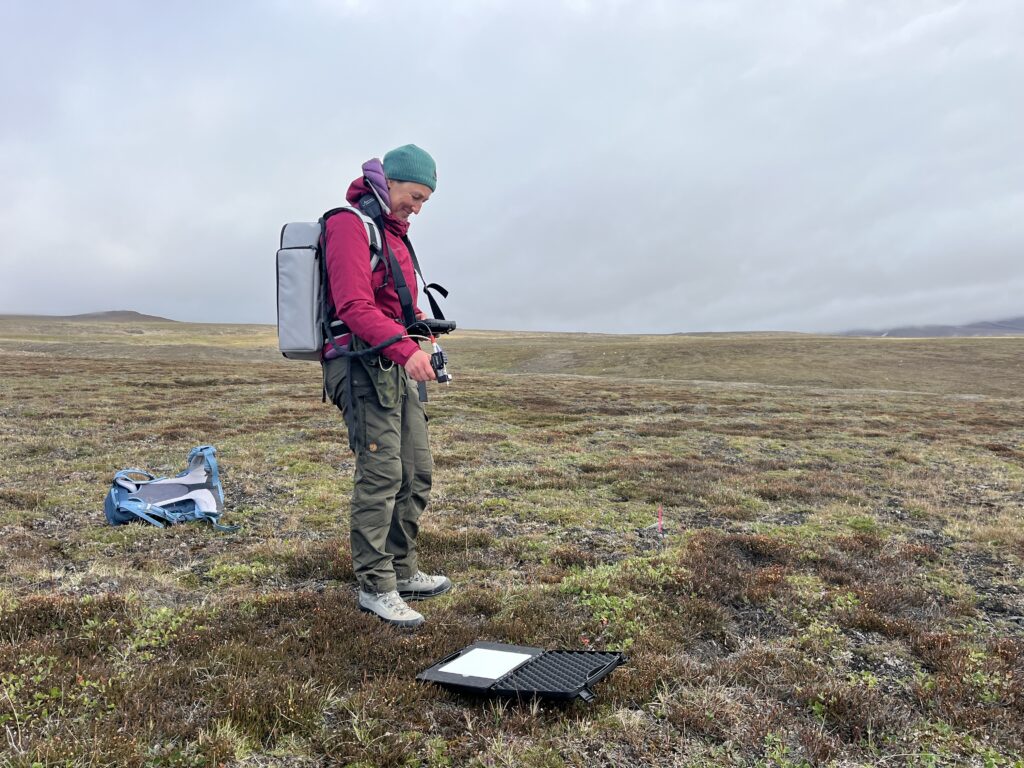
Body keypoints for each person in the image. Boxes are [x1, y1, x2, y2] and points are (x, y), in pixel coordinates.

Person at [321, 144, 451, 628]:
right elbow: (354, 306)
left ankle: (401, 568)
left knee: (416, 471)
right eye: (413, 196)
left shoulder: (392, 235)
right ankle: (376, 586)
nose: (416, 208)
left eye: (424, 202)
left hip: (391, 363)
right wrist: (405, 350)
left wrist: (420, 329)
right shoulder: (348, 225)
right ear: (389, 181)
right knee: (381, 475)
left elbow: (392, 304)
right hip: (359, 366)